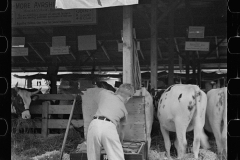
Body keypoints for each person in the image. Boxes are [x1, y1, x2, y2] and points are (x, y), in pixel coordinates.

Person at [87, 83, 135, 160]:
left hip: (94, 124)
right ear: (128, 98)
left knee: (92, 156)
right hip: (109, 126)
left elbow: (101, 89)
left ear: (117, 91)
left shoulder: (105, 93)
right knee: (116, 157)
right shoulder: (124, 111)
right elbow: (121, 132)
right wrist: (120, 143)